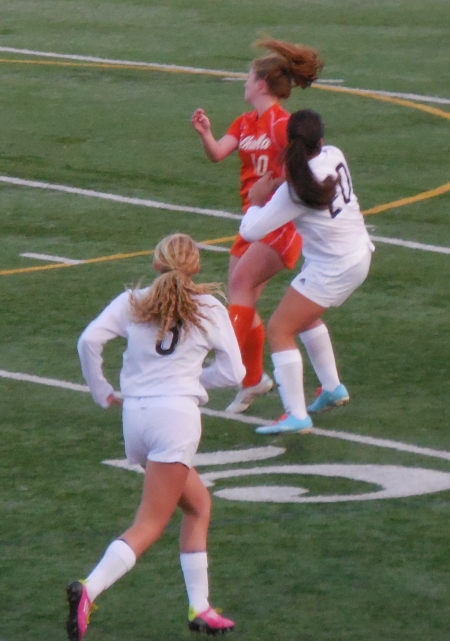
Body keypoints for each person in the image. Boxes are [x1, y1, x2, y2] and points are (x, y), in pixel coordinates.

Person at [65, 233, 245, 640]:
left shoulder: (133, 301)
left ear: (155, 263)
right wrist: (193, 380)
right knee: (149, 523)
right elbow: (235, 373)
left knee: (198, 505)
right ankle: (90, 589)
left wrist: (101, 390)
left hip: (135, 419)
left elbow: (88, 341)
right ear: (196, 267)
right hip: (175, 420)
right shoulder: (208, 307)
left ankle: (200, 607)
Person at [191, 37, 323, 414]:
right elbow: (218, 153)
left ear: (262, 84)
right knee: (242, 297)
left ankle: (225, 362)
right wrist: (205, 134)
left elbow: (305, 169)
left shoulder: (283, 125)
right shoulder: (245, 122)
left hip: (280, 225)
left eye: (248, 77)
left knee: (240, 286)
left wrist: (274, 184)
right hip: (253, 222)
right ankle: (252, 380)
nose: (244, 83)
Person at [239, 109, 374, 434]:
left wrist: (256, 200)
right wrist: (279, 186)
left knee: (280, 329)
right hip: (358, 253)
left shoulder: (295, 192)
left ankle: (296, 414)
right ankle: (332, 387)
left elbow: (251, 231)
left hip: (334, 267)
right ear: (321, 141)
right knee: (304, 316)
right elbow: (305, 180)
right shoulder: (334, 155)